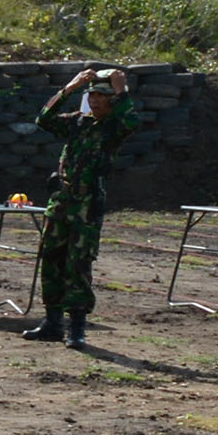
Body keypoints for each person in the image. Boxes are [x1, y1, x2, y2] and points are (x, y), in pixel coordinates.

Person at [23, 66, 139, 346]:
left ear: (112, 100)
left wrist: (121, 89)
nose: (94, 100)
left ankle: (76, 327)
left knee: (78, 263)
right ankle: (52, 322)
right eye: (92, 95)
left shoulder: (114, 128)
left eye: (101, 95)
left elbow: (132, 121)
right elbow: (44, 119)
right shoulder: (79, 122)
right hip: (61, 202)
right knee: (51, 260)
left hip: (86, 205)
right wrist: (70, 87)